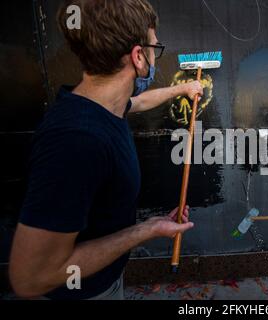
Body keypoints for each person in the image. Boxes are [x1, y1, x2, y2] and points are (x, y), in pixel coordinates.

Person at [9, 0, 201, 300]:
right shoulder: (76, 141)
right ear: (138, 57)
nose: (155, 56)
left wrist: (182, 89)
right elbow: (30, 279)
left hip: (101, 282)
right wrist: (143, 231)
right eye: (154, 48)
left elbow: (137, 103)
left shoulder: (99, 106)